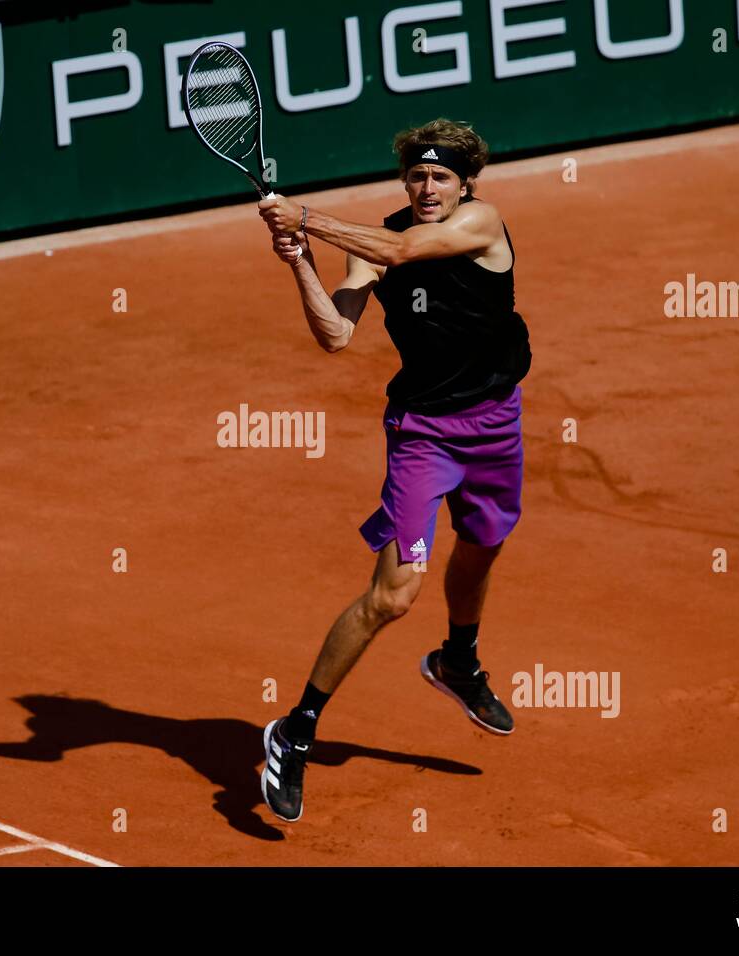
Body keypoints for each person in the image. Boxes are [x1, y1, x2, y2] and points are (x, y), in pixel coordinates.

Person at [254, 118, 532, 823]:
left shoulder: (482, 222)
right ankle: (296, 730)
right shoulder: (376, 244)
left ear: (465, 183)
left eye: (440, 176)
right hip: (423, 435)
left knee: (482, 548)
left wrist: (307, 217)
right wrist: (299, 261)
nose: (427, 186)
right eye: (416, 176)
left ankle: (458, 663)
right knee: (395, 593)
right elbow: (336, 334)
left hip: (497, 423)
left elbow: (407, 248)